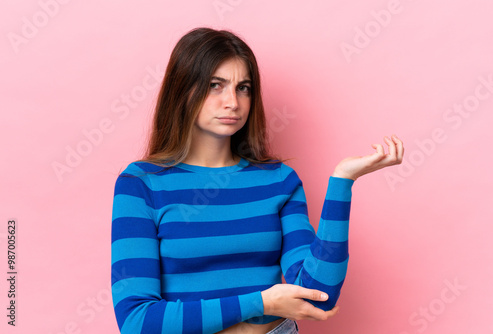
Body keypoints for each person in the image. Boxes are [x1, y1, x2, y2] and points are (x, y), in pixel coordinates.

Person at [110, 27, 404, 334]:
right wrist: (261, 303)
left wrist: (342, 182)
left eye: (244, 88)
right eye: (215, 85)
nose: (233, 102)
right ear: (183, 90)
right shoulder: (141, 184)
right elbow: (137, 321)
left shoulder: (279, 180)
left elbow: (318, 295)